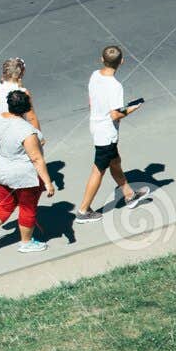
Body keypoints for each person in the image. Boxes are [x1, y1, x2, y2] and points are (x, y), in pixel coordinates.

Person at [0, 89, 54, 256]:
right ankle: (26, 243)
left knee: (5, 205)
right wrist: (47, 182)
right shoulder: (27, 131)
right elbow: (37, 159)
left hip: (1, 171)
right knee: (27, 207)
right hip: (23, 176)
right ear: (26, 108)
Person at [73, 45, 145, 222]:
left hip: (96, 125)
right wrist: (132, 108)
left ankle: (129, 195)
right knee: (98, 170)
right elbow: (115, 114)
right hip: (107, 133)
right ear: (121, 62)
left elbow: (92, 102)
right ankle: (83, 211)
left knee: (115, 162)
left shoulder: (95, 75)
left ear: (101, 59)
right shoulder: (115, 86)